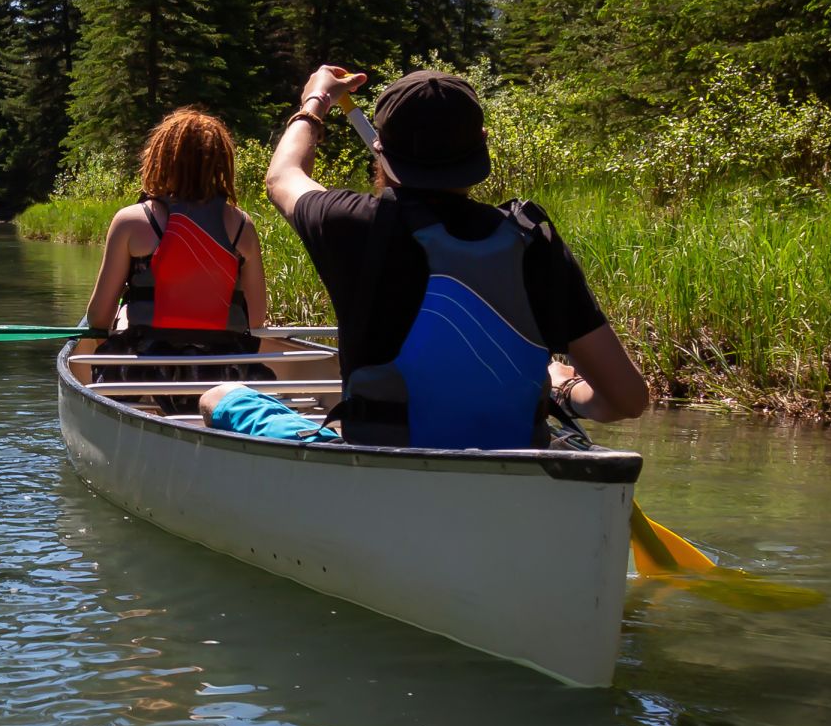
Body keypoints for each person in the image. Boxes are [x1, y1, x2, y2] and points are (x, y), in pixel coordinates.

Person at [257, 65, 648, 448]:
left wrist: (317, 100)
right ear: (482, 141)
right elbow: (627, 400)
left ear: (380, 147)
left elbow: (282, 176)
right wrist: (565, 389)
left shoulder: (349, 222)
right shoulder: (533, 240)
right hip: (511, 462)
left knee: (219, 397)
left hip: (386, 460)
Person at [81, 107, 270, 359]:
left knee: (87, 322)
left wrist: (124, 315)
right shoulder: (241, 225)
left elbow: (99, 318)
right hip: (222, 366)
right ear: (220, 163)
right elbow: (256, 319)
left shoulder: (131, 221)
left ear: (160, 159)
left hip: (148, 370)